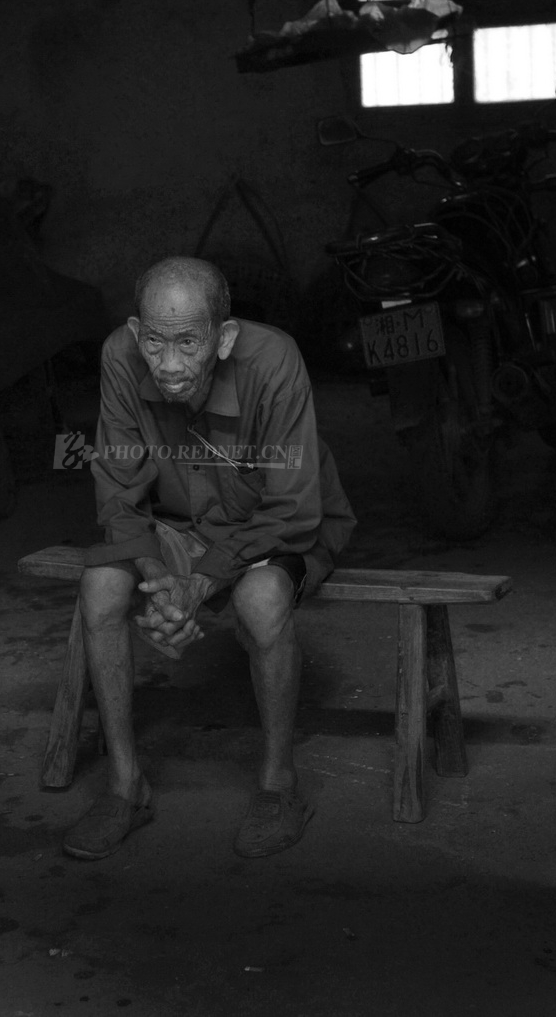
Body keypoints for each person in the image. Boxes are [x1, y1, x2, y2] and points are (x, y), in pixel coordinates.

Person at [63, 256, 356, 861]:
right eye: (155, 342)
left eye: (188, 343)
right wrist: (159, 579)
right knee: (100, 587)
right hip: (178, 524)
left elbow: (292, 508)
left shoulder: (273, 361)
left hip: (270, 527)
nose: (169, 365)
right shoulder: (120, 355)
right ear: (137, 332)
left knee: (262, 600)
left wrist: (197, 584)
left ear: (222, 338)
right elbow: (119, 488)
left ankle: (279, 787)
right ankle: (126, 787)